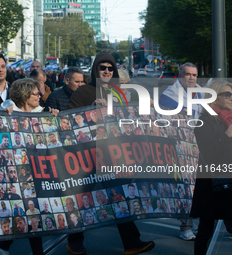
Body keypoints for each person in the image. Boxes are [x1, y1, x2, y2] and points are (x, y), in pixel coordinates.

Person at [67, 52, 155, 255]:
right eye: (102, 67)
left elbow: (131, 120)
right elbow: (69, 121)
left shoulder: (120, 94)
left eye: (110, 68)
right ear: (95, 69)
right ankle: (75, 240)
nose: (106, 71)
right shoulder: (84, 92)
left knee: (120, 197)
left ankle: (132, 242)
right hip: (87, 155)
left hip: (114, 155)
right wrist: (90, 109)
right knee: (82, 198)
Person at [191, 80, 232, 254]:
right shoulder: (205, 121)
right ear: (214, 97)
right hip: (213, 184)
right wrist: (226, 135)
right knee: (206, 230)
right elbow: (207, 152)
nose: (231, 98)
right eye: (227, 94)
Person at [158, 62, 201, 241]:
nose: (191, 78)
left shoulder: (201, 92)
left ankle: (197, 223)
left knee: (199, 188)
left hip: (200, 145)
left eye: (194, 75)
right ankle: (186, 227)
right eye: (187, 74)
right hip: (180, 147)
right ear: (180, 76)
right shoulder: (168, 96)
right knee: (186, 188)